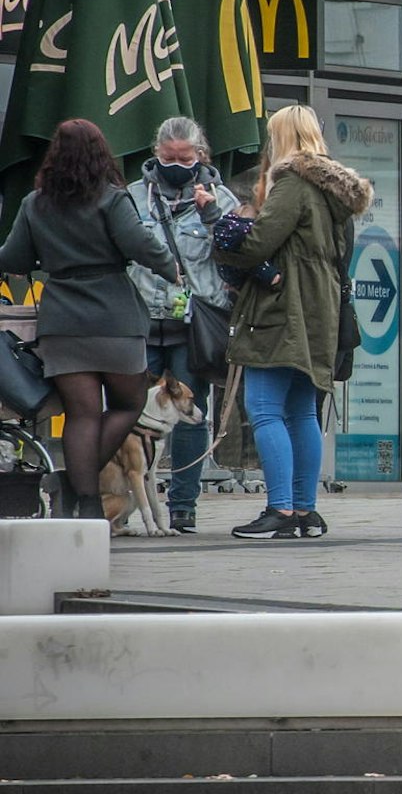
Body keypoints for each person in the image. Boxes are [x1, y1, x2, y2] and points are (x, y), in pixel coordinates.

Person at [0, 119, 177, 520]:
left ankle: (88, 504)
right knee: (129, 404)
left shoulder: (35, 203)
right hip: (115, 317)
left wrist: (50, 256)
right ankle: (72, 486)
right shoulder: (112, 199)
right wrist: (170, 268)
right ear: (101, 155)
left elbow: (13, 258)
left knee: (81, 415)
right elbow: (140, 244)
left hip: (62, 319)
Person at [213, 106, 372, 540]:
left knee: (264, 409)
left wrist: (225, 234)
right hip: (323, 308)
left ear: (282, 137)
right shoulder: (338, 189)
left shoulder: (293, 181)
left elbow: (258, 244)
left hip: (284, 307)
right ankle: (306, 511)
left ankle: (280, 508)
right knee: (303, 411)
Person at [126, 117, 239, 534]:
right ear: (155, 153)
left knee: (192, 411)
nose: (175, 164)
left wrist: (211, 217)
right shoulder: (134, 196)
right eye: (167, 157)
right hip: (141, 317)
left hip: (195, 322)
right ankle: (128, 496)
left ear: (199, 156)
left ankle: (184, 504)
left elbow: (236, 254)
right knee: (131, 409)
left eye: (184, 158)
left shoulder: (220, 197)